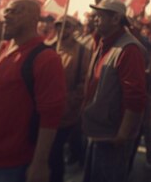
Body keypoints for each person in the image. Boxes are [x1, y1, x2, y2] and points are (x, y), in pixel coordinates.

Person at [0, 0, 66, 182]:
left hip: (14, 165)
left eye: (16, 11)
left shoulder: (46, 58)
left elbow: (50, 116)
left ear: (35, 18)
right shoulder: (0, 51)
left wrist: (40, 163)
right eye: (7, 11)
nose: (7, 16)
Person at [82, 0, 147, 182]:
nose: (95, 19)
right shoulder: (104, 42)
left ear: (116, 19)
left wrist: (122, 135)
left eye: (100, 16)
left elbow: (135, 97)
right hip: (98, 132)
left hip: (111, 138)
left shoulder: (129, 49)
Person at [48, 14, 91, 182]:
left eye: (67, 26)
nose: (62, 30)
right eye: (59, 25)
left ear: (74, 30)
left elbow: (84, 82)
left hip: (66, 114)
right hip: (44, 111)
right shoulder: (48, 47)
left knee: (55, 151)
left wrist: (69, 102)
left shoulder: (82, 52)